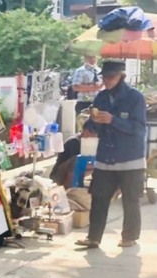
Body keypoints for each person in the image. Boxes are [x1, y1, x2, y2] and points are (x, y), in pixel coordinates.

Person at [76, 60, 147, 249]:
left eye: (111, 77)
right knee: (99, 197)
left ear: (121, 76)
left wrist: (113, 120)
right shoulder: (101, 98)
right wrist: (91, 123)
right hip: (105, 157)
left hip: (130, 157)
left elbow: (139, 129)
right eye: (104, 77)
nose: (107, 81)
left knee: (130, 200)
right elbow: (94, 127)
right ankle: (93, 237)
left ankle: (129, 236)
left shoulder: (135, 98)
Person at [50, 121, 97, 187]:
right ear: (85, 130)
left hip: (79, 173)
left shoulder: (92, 143)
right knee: (78, 159)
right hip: (60, 175)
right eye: (91, 132)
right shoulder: (74, 142)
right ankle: (68, 189)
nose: (93, 135)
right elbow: (76, 166)